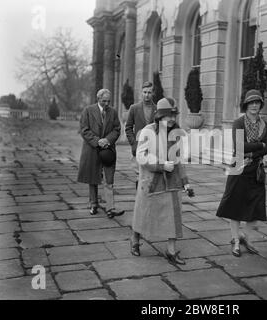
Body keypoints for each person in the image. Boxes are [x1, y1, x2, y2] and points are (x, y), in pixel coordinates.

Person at [130, 97, 193, 265]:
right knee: (144, 214)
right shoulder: (147, 131)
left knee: (174, 215)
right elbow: (141, 156)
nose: (172, 119)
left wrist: (186, 182)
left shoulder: (177, 133)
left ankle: (171, 251)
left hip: (172, 182)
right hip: (151, 181)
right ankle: (135, 240)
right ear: (159, 116)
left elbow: (179, 159)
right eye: (168, 116)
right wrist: (161, 165)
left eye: (174, 115)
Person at [216, 89, 267, 257]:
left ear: (260, 105)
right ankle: (235, 240)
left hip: (256, 170)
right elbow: (239, 147)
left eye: (257, 102)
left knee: (255, 207)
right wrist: (260, 146)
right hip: (238, 168)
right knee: (235, 205)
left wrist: (255, 150)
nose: (254, 105)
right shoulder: (239, 123)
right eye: (251, 102)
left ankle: (246, 238)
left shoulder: (265, 125)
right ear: (246, 105)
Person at [77, 89, 125, 219]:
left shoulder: (113, 112)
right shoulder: (88, 110)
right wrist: (98, 141)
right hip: (92, 149)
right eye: (104, 101)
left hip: (108, 150)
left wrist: (107, 140)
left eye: (108, 101)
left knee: (109, 178)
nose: (106, 104)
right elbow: (84, 130)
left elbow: (117, 129)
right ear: (98, 99)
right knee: (93, 177)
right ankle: (93, 204)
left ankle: (110, 208)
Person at [125, 81, 157, 189]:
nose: (147, 95)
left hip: (153, 148)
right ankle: (139, 201)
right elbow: (128, 127)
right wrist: (133, 144)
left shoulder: (157, 109)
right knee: (139, 175)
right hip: (138, 146)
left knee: (151, 176)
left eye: (149, 92)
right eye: (144, 92)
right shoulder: (134, 108)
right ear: (141, 92)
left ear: (153, 93)